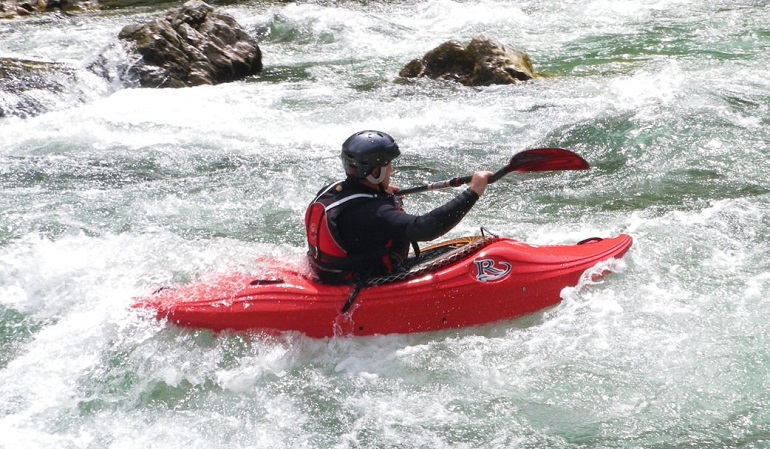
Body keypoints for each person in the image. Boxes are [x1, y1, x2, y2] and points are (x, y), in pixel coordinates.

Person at [304, 130, 493, 285]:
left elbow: (362, 210)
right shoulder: (374, 213)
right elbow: (426, 228)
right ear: (375, 172)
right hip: (362, 281)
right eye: (388, 165)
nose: (392, 170)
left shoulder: (332, 191)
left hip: (333, 272)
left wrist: (381, 195)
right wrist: (473, 192)